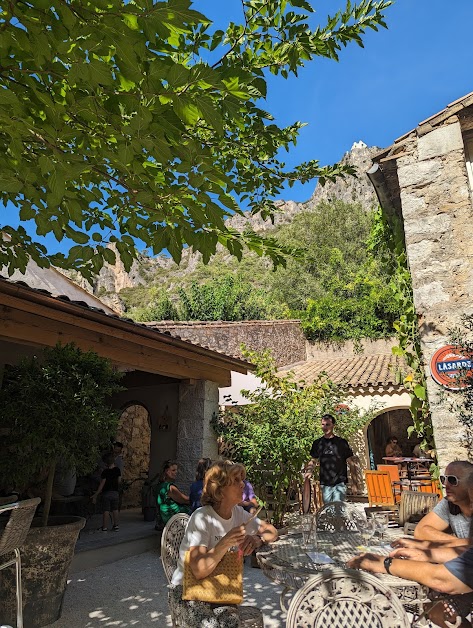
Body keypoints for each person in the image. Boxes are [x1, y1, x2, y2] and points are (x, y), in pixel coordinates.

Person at [170, 460, 278, 627]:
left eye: (242, 479)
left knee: (232, 624)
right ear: (219, 491)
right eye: (236, 481)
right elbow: (198, 570)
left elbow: (272, 531)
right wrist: (225, 542)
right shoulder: (202, 518)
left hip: (220, 590)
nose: (243, 484)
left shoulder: (238, 513)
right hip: (187, 590)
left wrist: (257, 540)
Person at [413, 460, 473, 545]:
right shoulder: (449, 503)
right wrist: (460, 543)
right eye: (443, 479)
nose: (446, 484)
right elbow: (420, 531)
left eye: (452, 480)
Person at [307, 414, 354, 504]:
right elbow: (314, 460)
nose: (325, 427)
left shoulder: (341, 442)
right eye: (323, 424)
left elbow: (351, 461)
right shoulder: (317, 443)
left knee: (338, 508)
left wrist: (355, 482)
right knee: (328, 508)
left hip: (340, 481)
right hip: (325, 482)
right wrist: (309, 471)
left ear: (333, 426)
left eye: (327, 424)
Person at [92, 452, 121, 531]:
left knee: (106, 510)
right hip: (115, 493)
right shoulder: (117, 470)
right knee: (115, 509)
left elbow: (102, 484)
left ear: (105, 462)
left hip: (106, 493)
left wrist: (96, 494)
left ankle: (104, 527)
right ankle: (116, 526)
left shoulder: (105, 472)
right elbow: (119, 481)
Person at [156, 459, 190, 525]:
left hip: (165, 517)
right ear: (166, 471)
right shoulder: (170, 488)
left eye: (176, 470)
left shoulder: (159, 486)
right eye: (173, 470)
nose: (176, 472)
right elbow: (184, 500)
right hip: (175, 518)